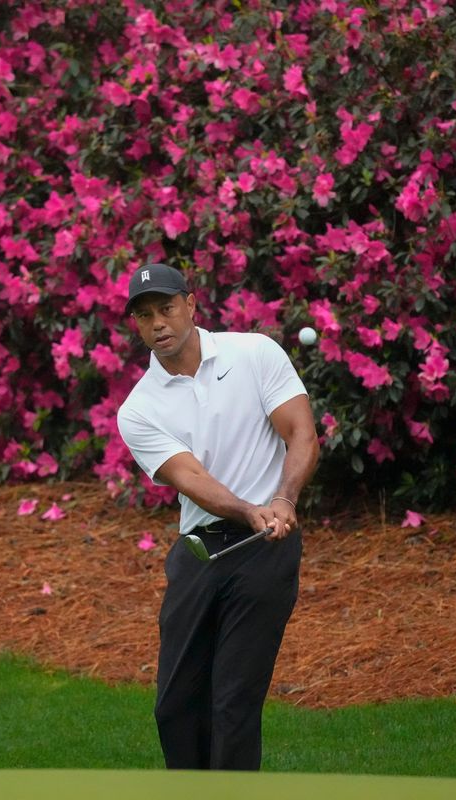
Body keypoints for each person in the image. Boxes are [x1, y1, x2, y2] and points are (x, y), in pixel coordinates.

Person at [115, 262, 319, 771]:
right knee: (174, 706)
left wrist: (284, 500)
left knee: (232, 704)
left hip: (265, 551)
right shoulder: (138, 409)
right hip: (200, 551)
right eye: (144, 315)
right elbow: (191, 479)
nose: (157, 322)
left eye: (165, 308)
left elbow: (301, 433)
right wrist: (249, 509)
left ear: (190, 303)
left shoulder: (253, 353)